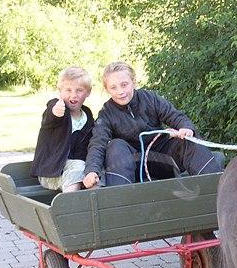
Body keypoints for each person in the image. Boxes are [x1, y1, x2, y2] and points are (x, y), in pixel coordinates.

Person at [83, 62, 222, 188]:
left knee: (187, 138)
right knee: (115, 145)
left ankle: (215, 188)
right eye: (113, 87)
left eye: (124, 84)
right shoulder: (106, 113)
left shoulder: (150, 98)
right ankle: (119, 203)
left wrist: (185, 128)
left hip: (164, 158)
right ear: (107, 90)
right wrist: (91, 170)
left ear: (134, 82)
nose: (120, 91)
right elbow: (98, 143)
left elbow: (174, 115)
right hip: (133, 166)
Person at [30, 66, 95, 192]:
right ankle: (69, 207)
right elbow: (51, 113)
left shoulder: (87, 116)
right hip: (51, 172)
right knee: (78, 168)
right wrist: (56, 111)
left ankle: (94, 208)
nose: (73, 95)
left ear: (88, 92)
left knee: (93, 173)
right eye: (68, 90)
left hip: (76, 169)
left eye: (79, 90)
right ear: (60, 91)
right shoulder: (58, 107)